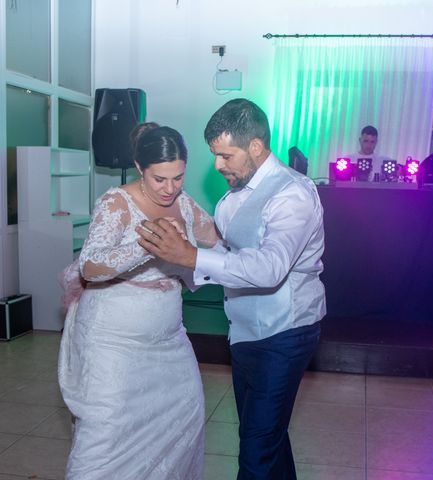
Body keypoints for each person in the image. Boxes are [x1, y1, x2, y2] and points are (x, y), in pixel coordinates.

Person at [136, 98, 326, 479]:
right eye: (214, 155)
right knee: (266, 439)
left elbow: (269, 268)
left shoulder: (293, 194)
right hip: (243, 333)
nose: (218, 165)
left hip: (285, 332)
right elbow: (228, 256)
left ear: (255, 146)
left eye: (225, 155)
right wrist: (179, 268)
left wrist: (191, 256)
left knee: (255, 452)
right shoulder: (232, 196)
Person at [58, 123, 218, 478]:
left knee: (185, 416)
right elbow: (91, 266)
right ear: (139, 167)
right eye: (159, 179)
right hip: (112, 343)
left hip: (168, 341)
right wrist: (146, 246)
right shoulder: (117, 203)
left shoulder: (185, 204)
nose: (170, 188)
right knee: (108, 436)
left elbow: (218, 240)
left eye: (178, 177)